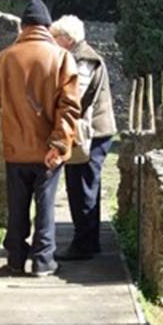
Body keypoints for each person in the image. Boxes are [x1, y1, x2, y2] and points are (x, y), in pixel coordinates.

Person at [0, 0, 80, 276]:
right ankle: (42, 260)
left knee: (17, 205)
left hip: (15, 148)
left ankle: (15, 257)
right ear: (48, 27)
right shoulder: (62, 58)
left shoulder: (5, 57)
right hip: (48, 149)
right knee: (46, 205)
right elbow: (70, 106)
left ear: (23, 27)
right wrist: (59, 143)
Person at [49, 15, 117, 260]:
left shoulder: (83, 59)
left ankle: (85, 244)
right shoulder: (81, 56)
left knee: (83, 187)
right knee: (83, 186)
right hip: (96, 131)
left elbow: (74, 96)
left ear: (67, 39)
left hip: (92, 133)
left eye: (56, 38)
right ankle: (88, 241)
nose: (53, 43)